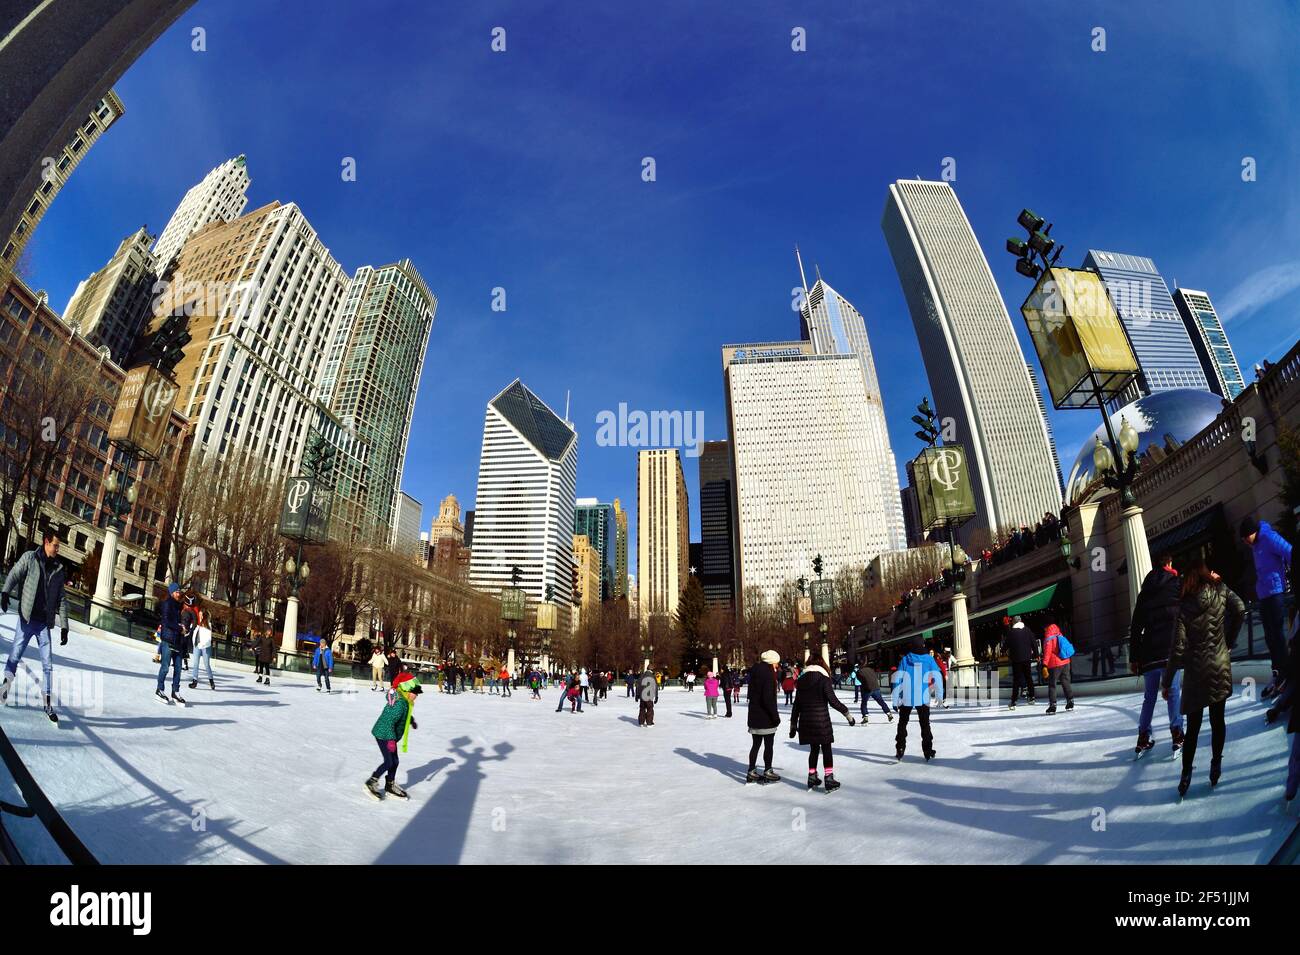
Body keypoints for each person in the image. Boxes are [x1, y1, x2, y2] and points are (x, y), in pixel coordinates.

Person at [1163, 559, 1245, 797]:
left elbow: (1178, 649)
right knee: (1218, 720)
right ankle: (1216, 764)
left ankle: (1186, 774)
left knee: (1194, 727)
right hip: (1219, 664)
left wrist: (1167, 682)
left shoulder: (1183, 608)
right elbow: (1240, 609)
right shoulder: (1220, 591)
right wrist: (1228, 641)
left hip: (1196, 672)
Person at [0, 527, 70, 722]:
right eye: (55, 545)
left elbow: (62, 600)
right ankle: (4, 689)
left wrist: (64, 626)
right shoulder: (30, 558)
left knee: (48, 664)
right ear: (46, 543)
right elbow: (14, 574)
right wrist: (5, 592)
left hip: (43, 625)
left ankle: (47, 704)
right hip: (26, 619)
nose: (57, 549)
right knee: (14, 655)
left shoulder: (58, 569)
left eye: (58, 546)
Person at [1129, 553, 1185, 755]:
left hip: (1150, 652)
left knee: (1149, 696)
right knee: (1173, 691)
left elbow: (1135, 628)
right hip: (1170, 649)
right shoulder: (1177, 585)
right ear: (1170, 563)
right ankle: (1177, 732)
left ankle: (1143, 736)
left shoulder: (1145, 592)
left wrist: (1134, 658)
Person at [1240, 516, 1292, 698]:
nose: (1246, 542)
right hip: (1264, 594)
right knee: (1270, 636)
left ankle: (1287, 671)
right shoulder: (1255, 546)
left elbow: (1290, 551)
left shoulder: (1269, 538)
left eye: (1246, 538)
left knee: (1277, 634)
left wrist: (1291, 575)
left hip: (1276, 591)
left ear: (1253, 532)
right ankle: (1277, 671)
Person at [789, 654, 855, 791]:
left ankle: (812, 776)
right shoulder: (824, 679)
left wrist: (793, 725)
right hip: (821, 720)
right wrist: (848, 714)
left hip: (806, 721)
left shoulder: (801, 681)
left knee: (813, 749)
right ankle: (829, 778)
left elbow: (797, 705)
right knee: (826, 748)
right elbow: (833, 701)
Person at [365, 672, 422, 800]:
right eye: (415, 692)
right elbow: (388, 721)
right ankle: (371, 782)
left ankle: (390, 784)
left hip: (390, 735)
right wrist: (390, 740)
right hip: (383, 734)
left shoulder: (404, 701)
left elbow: (402, 716)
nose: (416, 696)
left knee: (395, 761)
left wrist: (411, 721)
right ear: (406, 689)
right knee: (389, 762)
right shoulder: (399, 704)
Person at [893, 636, 940, 761]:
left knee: (902, 723)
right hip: (923, 696)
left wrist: (895, 698)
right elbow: (937, 675)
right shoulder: (929, 659)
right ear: (923, 645)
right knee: (925, 724)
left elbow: (898, 679)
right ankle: (928, 750)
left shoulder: (905, 659)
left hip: (906, 696)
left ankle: (900, 747)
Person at [745, 651, 782, 784]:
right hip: (766, 717)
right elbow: (768, 699)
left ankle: (751, 771)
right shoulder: (768, 674)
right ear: (772, 661)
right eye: (776, 662)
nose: (777, 665)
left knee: (755, 745)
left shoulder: (754, 671)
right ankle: (768, 770)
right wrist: (775, 716)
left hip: (754, 715)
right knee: (768, 745)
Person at [154, 583, 188, 706]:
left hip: (178, 641)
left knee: (178, 669)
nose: (179, 593)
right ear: (172, 592)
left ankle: (175, 692)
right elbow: (167, 622)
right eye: (177, 591)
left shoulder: (179, 606)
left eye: (180, 591)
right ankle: (160, 689)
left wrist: (184, 627)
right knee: (165, 667)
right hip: (168, 640)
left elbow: (178, 622)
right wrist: (179, 629)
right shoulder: (167, 604)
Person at [1040, 615, 1075, 715]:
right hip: (1065, 661)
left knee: (1052, 685)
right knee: (1065, 682)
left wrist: (1044, 664)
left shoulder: (1048, 634)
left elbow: (1048, 651)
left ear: (1045, 626)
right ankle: (1070, 701)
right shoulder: (1058, 632)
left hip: (1055, 664)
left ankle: (1053, 706)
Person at [1004, 616, 1037, 709]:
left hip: (1016, 659)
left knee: (1016, 681)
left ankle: (1014, 701)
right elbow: (1034, 643)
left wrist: (1004, 650)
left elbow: (1005, 645)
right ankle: (1032, 697)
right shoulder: (1027, 630)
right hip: (1027, 658)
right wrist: (1037, 655)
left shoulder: (1011, 632)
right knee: (1029, 677)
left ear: (1013, 623)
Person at [186, 596, 215, 691]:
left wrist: (202, 645)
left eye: (201, 615)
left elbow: (208, 639)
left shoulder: (208, 625)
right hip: (197, 646)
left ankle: (211, 681)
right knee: (195, 664)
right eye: (199, 615)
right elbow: (194, 634)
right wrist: (194, 642)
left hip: (205, 647)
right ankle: (195, 681)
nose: (200, 616)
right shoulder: (197, 625)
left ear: (204, 615)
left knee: (207, 665)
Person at [856, 659, 893, 723]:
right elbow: (875, 677)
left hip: (867, 689)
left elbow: (861, 681)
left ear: (859, 665)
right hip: (876, 688)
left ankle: (865, 717)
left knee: (864, 703)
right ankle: (889, 713)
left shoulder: (859, 672)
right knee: (881, 702)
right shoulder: (870, 669)